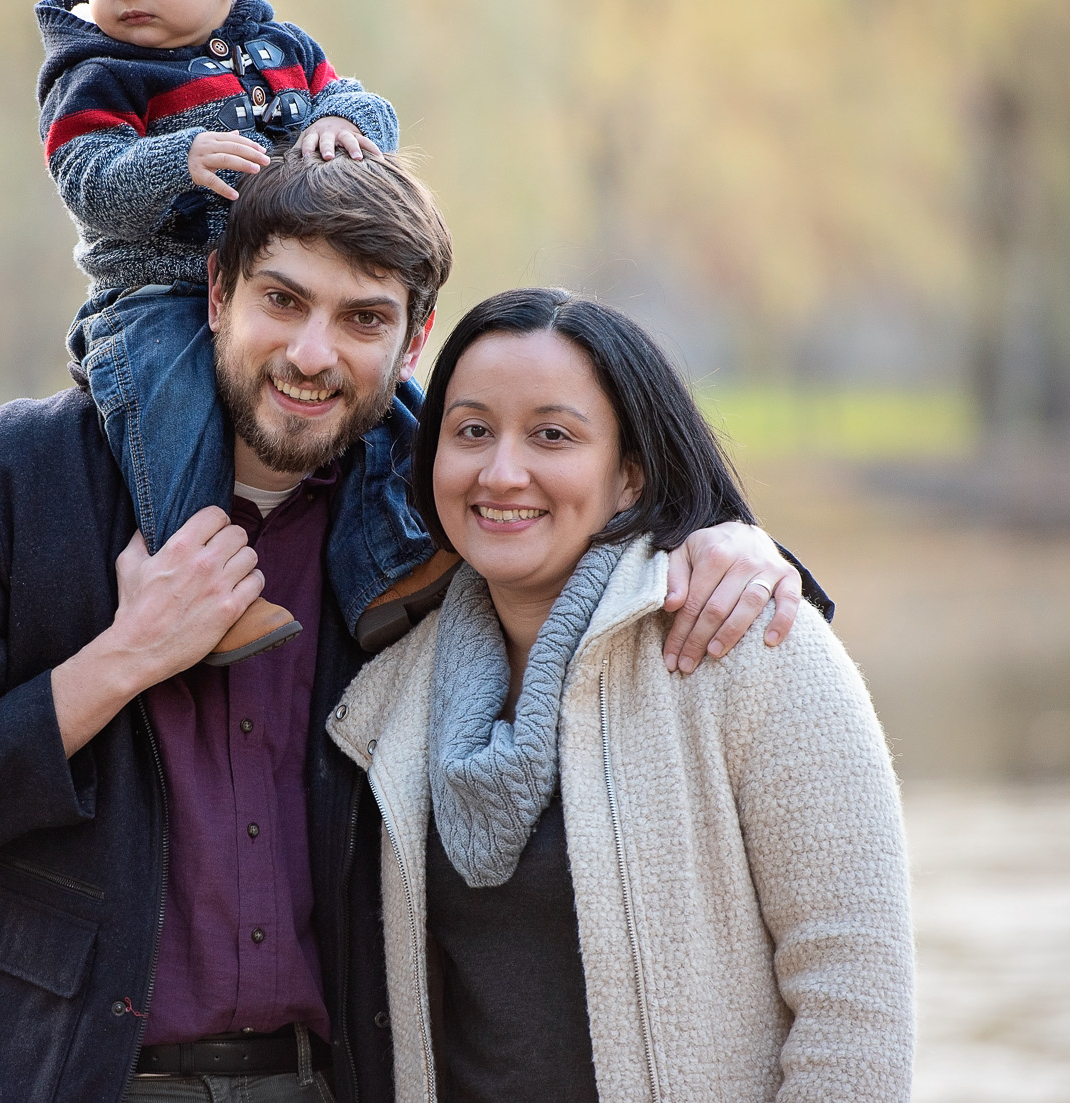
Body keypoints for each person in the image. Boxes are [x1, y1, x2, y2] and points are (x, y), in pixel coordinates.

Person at [0, 150, 824, 1103]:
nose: (312, 354)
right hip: (47, 1075)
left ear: (412, 339)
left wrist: (727, 543)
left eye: (361, 318)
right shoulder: (12, 479)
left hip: (323, 1081)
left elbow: (614, 540)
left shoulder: (430, 517)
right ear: (218, 292)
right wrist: (126, 657)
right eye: (282, 301)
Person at [327, 288, 915, 1103]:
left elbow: (857, 1010)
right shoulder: (388, 698)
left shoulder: (749, 649)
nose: (502, 470)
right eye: (471, 431)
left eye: (552, 435)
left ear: (629, 471)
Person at [36, 0, 444, 664]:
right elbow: (86, 176)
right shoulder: (101, 72)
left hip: (267, 281)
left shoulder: (282, 51)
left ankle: (392, 565)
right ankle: (198, 587)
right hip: (150, 296)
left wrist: (334, 119)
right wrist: (173, 159)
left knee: (394, 409)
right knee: (173, 407)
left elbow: (374, 114)